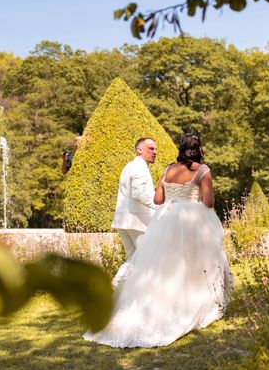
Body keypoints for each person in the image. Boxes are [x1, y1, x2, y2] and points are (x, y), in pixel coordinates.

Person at [84, 134, 234, 348]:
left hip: (168, 219)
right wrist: (197, 196)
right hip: (192, 220)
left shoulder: (168, 170)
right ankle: (191, 303)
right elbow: (209, 202)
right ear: (198, 149)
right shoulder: (203, 171)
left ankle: (163, 301)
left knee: (165, 265)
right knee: (194, 262)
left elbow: (157, 199)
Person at [111, 137, 158, 260]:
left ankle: (122, 280)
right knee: (146, 262)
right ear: (139, 150)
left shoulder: (130, 166)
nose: (155, 152)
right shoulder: (139, 167)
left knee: (132, 263)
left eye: (155, 149)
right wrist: (158, 205)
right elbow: (137, 193)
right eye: (151, 148)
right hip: (138, 222)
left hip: (124, 222)